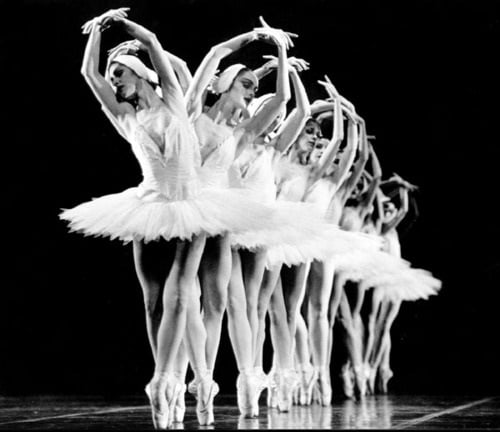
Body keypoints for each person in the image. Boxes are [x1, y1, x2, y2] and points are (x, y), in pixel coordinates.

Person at [61, 9, 272, 428]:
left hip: (191, 205)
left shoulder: (175, 99)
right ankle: (166, 384)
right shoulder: (126, 116)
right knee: (153, 300)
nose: (115, 81)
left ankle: (171, 379)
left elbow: (155, 44)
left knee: (182, 294)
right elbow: (88, 73)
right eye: (113, 76)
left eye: (120, 73)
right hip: (148, 204)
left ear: (141, 75)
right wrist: (97, 32)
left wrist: (123, 27)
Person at [184, 17, 298, 417]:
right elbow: (216, 54)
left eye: (253, 87)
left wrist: (279, 50)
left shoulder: (242, 133)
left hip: (220, 219)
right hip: (184, 212)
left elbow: (282, 100)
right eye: (246, 85)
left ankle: (220, 383)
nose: (253, 91)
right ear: (225, 84)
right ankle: (190, 375)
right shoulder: (193, 111)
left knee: (219, 303)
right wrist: (253, 37)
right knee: (186, 300)